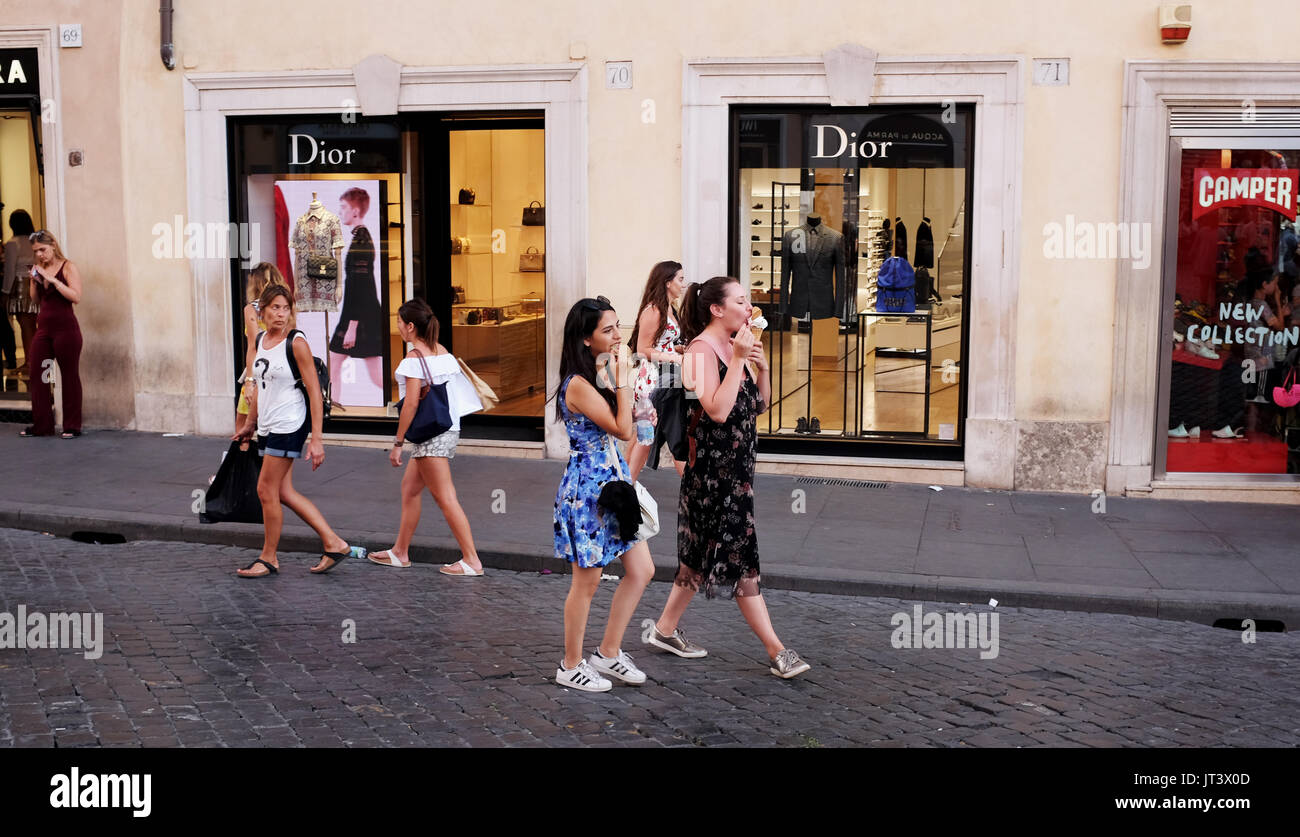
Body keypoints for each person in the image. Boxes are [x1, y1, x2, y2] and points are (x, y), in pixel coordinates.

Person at [640, 276, 811, 679]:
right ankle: (777, 650)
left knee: (697, 559)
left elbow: (758, 405)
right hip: (713, 478)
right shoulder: (701, 351)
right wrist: (736, 359)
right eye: (740, 300)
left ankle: (663, 630)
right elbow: (717, 410)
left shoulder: (737, 345)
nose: (748, 306)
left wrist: (761, 368)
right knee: (740, 560)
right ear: (717, 309)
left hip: (737, 474)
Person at [551, 296, 656, 692]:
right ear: (585, 339)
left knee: (642, 570)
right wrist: (625, 380)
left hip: (615, 484)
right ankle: (570, 663)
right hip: (588, 493)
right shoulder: (577, 385)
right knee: (587, 582)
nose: (617, 336)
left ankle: (608, 653)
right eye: (607, 330)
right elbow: (622, 428)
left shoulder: (599, 372)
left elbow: (633, 423)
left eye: (617, 326)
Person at [233, 283, 356, 577]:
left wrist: (316, 439)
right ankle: (334, 542)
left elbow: (314, 391)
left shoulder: (296, 342)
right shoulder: (261, 340)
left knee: (265, 489)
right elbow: (260, 387)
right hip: (267, 424)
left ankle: (269, 557)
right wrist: (250, 424)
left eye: (285, 308)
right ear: (262, 311)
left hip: (290, 424)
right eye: (275, 307)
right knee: (284, 492)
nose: (281, 314)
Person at [370, 298, 486, 576]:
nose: (397, 326)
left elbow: (410, 405)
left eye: (399, 322)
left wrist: (398, 443)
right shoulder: (442, 352)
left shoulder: (413, 359)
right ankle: (400, 551)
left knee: (445, 497)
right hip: (447, 429)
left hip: (431, 436)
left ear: (411, 326)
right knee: (410, 489)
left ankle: (471, 560)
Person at [626, 260, 687, 482]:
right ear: (667, 282)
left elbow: (663, 344)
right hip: (653, 379)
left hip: (667, 376)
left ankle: (624, 482)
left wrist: (679, 349)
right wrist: (674, 356)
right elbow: (643, 349)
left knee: (643, 435)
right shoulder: (653, 310)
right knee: (651, 434)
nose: (683, 284)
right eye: (680, 279)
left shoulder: (670, 308)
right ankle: (626, 485)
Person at [20, 230, 82, 438]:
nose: (39, 255)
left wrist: (53, 281)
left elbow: (76, 296)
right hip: (44, 331)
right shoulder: (40, 269)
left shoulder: (68, 267)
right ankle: (42, 426)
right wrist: (34, 281)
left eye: (43, 250)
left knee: (69, 376)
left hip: (66, 331)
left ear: (53, 246)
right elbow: (36, 301)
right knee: (39, 375)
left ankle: (72, 426)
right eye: (36, 251)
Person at [235, 262, 284, 438]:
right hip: (282, 370)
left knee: (242, 428)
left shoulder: (253, 309)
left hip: (260, 368)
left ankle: (243, 463)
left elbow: (254, 346)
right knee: (276, 429)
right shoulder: (285, 307)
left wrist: (249, 381)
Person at [4, 211, 38, 379]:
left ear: (12, 224)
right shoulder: (34, 241)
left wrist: (4, 292)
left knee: (25, 325)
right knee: (33, 325)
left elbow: (9, 270)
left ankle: (30, 362)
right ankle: (35, 360)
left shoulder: (12, 243)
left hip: (19, 284)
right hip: (35, 283)